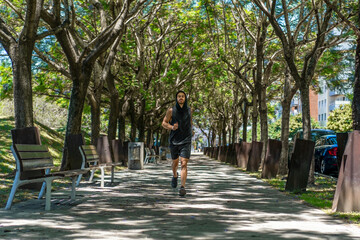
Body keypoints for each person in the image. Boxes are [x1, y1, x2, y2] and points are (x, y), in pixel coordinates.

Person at [162, 90, 193, 196]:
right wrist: (171, 127)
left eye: (183, 96)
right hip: (174, 140)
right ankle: (175, 176)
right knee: (175, 163)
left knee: (183, 163)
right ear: (176, 98)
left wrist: (191, 131)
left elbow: (190, 122)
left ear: (185, 98)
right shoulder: (171, 110)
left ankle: (182, 187)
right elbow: (164, 123)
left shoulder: (189, 110)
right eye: (179, 96)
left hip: (186, 140)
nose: (181, 98)